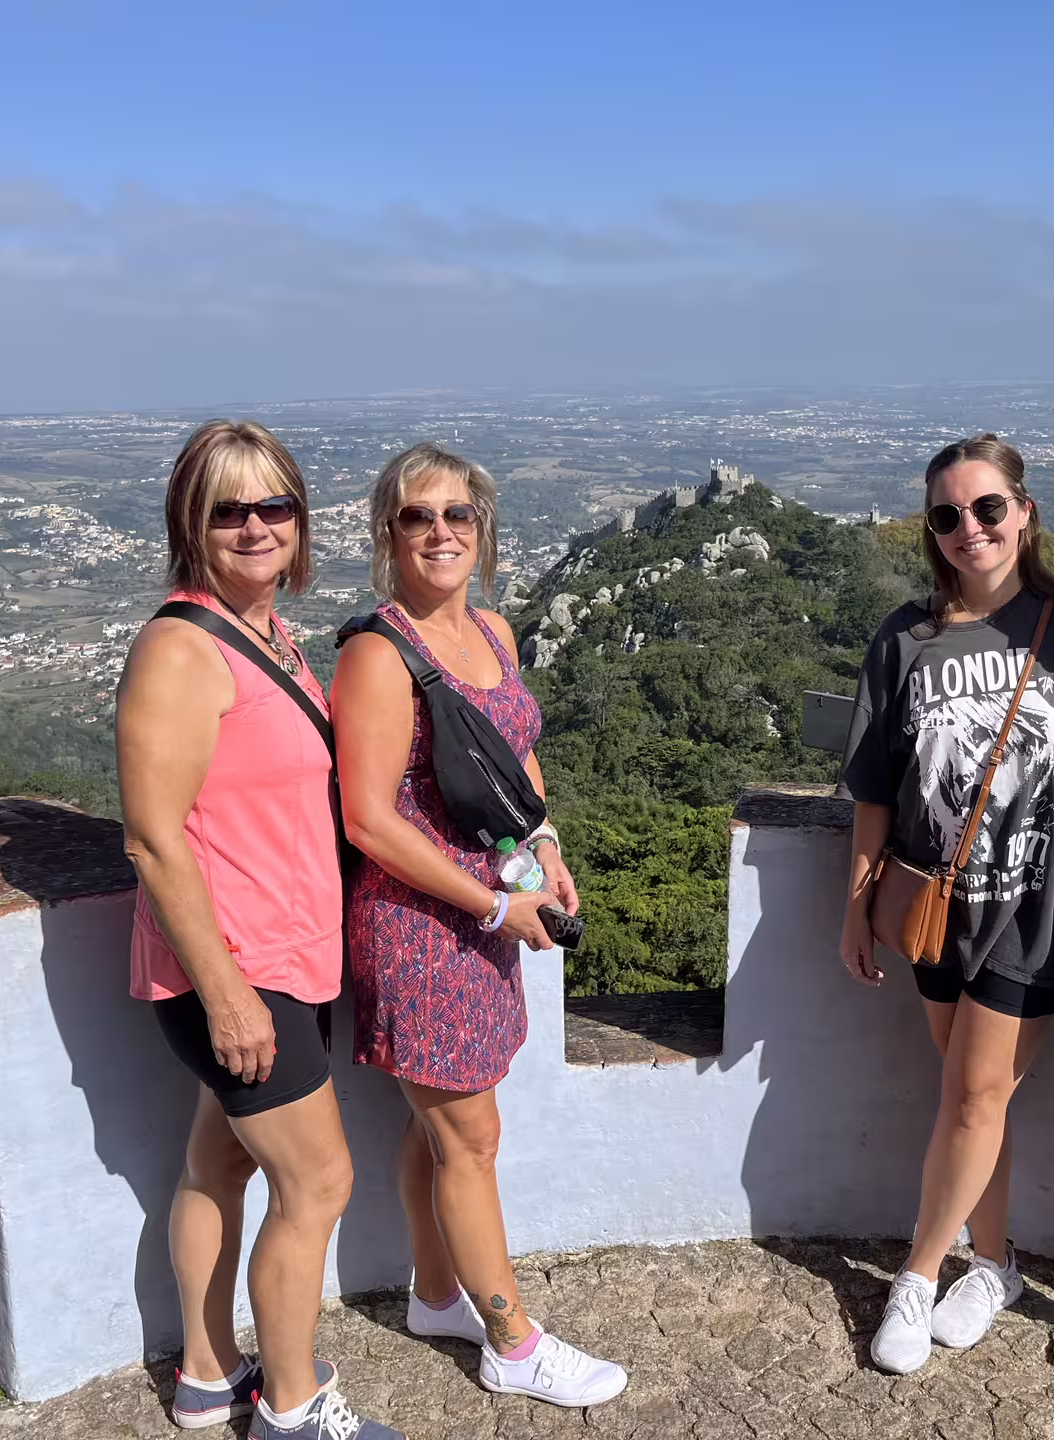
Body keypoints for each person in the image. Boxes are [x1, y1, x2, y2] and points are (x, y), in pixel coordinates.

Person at [117, 420, 402, 1440]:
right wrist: (229, 994)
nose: (251, 525)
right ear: (188, 523)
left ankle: (204, 1375)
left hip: (283, 957)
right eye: (225, 508)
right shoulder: (180, 650)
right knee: (318, 1179)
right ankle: (290, 1408)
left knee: (221, 1164)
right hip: (235, 974)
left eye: (271, 504)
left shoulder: (266, 636)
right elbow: (153, 842)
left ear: (298, 520)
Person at [332, 441, 628, 1409]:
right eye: (419, 516)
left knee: (438, 1128)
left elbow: (517, 759)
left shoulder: (494, 634)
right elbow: (369, 819)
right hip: (421, 930)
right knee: (471, 1138)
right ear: (389, 534)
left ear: (483, 530)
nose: (442, 531)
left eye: (458, 514)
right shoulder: (380, 655)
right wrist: (499, 903)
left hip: (490, 917)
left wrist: (547, 850)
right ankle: (510, 1339)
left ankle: (433, 1292)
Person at [838, 434, 1054, 1375]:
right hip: (936, 908)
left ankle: (918, 1275)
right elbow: (876, 785)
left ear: (1025, 512)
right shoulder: (906, 637)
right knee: (980, 1100)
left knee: (971, 1095)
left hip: (1039, 911)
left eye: (988, 508)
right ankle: (992, 1262)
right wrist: (857, 905)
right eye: (948, 516)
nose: (971, 529)